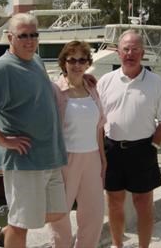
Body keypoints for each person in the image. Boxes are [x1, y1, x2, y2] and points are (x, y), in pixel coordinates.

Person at [0, 13, 68, 248]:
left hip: (48, 157)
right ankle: (12, 231)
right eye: (23, 36)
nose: (30, 40)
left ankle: (6, 232)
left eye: (34, 35)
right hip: (24, 160)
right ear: (10, 37)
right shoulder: (2, 68)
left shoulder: (36, 60)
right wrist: (2, 140)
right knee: (22, 225)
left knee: (57, 212)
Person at [97, 29, 161, 248]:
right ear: (118, 52)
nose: (130, 53)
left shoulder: (155, 82)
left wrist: (153, 145)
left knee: (143, 204)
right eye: (125, 49)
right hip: (112, 149)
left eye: (134, 49)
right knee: (114, 203)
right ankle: (117, 245)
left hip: (143, 149)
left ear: (142, 52)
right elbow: (98, 120)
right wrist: (101, 150)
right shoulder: (106, 81)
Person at [49, 40, 106, 248]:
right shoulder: (56, 90)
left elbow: (99, 127)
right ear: (64, 62)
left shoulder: (92, 88)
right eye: (71, 59)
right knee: (59, 215)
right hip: (65, 159)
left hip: (92, 158)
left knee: (94, 214)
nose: (77, 64)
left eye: (82, 59)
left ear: (88, 63)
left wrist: (103, 159)